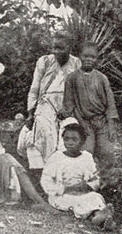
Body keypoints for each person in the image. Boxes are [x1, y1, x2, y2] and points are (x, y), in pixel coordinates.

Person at [24, 32, 81, 174]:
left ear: (69, 47)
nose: (56, 52)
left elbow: (79, 91)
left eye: (60, 48)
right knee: (43, 130)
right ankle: (44, 172)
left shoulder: (76, 63)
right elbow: (34, 89)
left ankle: (63, 173)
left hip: (67, 105)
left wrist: (69, 109)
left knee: (68, 132)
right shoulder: (44, 61)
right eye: (54, 47)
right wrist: (31, 113)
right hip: (46, 104)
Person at [41, 122, 115, 229]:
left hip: (82, 192)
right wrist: (63, 189)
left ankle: (101, 217)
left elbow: (95, 180)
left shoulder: (86, 157)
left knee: (95, 197)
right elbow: (46, 180)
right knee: (76, 201)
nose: (70, 143)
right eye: (66, 139)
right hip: (62, 194)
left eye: (74, 139)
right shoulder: (57, 157)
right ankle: (99, 218)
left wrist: (87, 186)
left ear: (82, 142)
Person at [61, 41, 119, 163]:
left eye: (92, 57)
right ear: (80, 56)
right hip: (84, 122)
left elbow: (110, 103)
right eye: (85, 56)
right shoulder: (72, 78)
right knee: (86, 152)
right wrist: (82, 123)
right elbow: (70, 104)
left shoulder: (102, 78)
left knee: (107, 152)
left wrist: (111, 126)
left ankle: (106, 179)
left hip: (102, 122)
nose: (88, 59)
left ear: (97, 58)